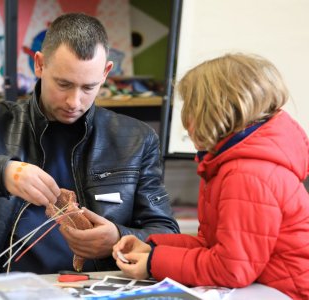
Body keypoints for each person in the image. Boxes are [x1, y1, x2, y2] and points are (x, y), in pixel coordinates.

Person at [0, 13, 179, 278]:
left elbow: (167, 233)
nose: (74, 101)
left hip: (91, 290)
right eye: (63, 84)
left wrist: (119, 237)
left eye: (88, 87)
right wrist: (1, 172)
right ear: (39, 64)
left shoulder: (136, 139)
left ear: (107, 72)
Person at [112, 53, 309, 299]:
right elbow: (214, 248)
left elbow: (231, 269)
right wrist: (152, 248)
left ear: (214, 112)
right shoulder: (232, 164)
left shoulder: (246, 174)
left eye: (190, 108)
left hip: (284, 292)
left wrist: (153, 263)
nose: (185, 123)